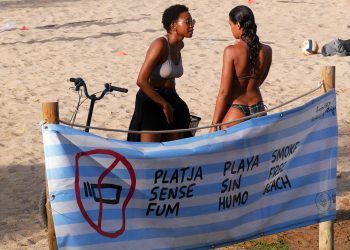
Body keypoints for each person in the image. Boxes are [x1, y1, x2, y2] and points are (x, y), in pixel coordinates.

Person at [127, 4, 195, 142]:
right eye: (187, 22)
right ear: (173, 25)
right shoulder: (160, 45)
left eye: (192, 22)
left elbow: (169, 77)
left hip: (171, 96)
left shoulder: (179, 45)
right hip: (151, 98)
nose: (191, 26)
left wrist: (168, 102)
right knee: (149, 152)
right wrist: (163, 104)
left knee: (174, 149)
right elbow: (141, 80)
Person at [210, 5, 272, 132]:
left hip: (237, 109)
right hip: (258, 108)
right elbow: (259, 81)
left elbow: (224, 92)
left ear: (238, 25)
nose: (231, 28)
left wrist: (214, 123)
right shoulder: (267, 50)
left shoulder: (231, 51)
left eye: (230, 24)